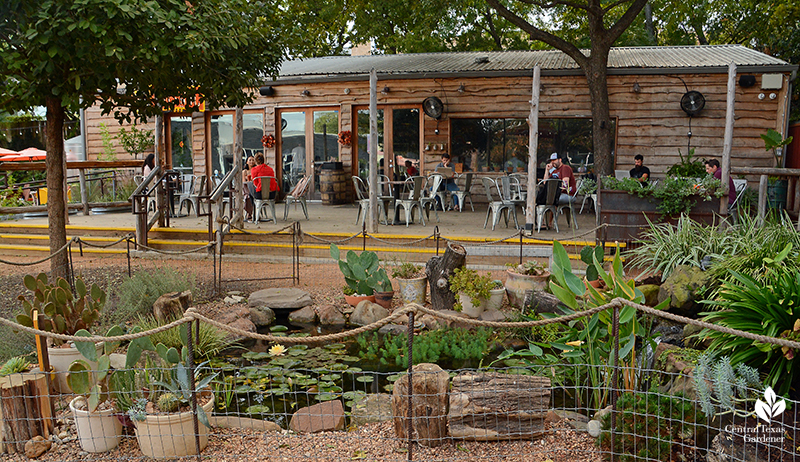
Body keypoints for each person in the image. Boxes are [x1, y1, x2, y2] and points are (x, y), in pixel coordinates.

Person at [248, 154, 278, 221]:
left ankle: (254, 214)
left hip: (260, 195)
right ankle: (257, 214)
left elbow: (255, 184)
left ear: (255, 161)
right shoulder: (270, 169)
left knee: (250, 187)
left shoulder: (254, 169)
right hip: (271, 194)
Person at [242, 156, 255, 220]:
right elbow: (244, 182)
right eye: (250, 160)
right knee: (248, 196)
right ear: (247, 162)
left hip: (254, 189)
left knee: (251, 195)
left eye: (253, 160)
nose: (251, 161)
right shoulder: (244, 172)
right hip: (246, 189)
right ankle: (249, 213)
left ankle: (253, 213)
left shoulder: (255, 171)